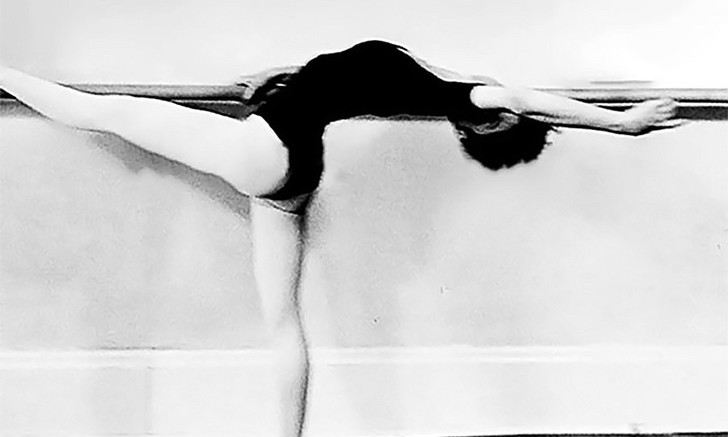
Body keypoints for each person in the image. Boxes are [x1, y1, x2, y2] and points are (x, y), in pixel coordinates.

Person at [0, 40, 683, 437]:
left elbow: (524, 100)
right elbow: (338, 77)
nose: (503, 98)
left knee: (101, 111)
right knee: (282, 319)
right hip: (294, 169)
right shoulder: (430, 79)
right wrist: (280, 76)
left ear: (491, 124)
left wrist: (622, 123)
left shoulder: (466, 100)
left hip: (268, 148)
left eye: (501, 115)